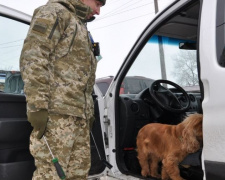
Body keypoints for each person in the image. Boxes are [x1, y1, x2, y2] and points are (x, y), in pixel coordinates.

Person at [19, 0, 105, 179]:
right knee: (51, 175)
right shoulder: (55, 12)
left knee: (77, 174)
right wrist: (37, 106)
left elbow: (83, 76)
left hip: (78, 117)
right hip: (57, 115)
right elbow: (33, 57)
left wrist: (88, 112)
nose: (98, 11)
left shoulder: (79, 25)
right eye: (98, 3)